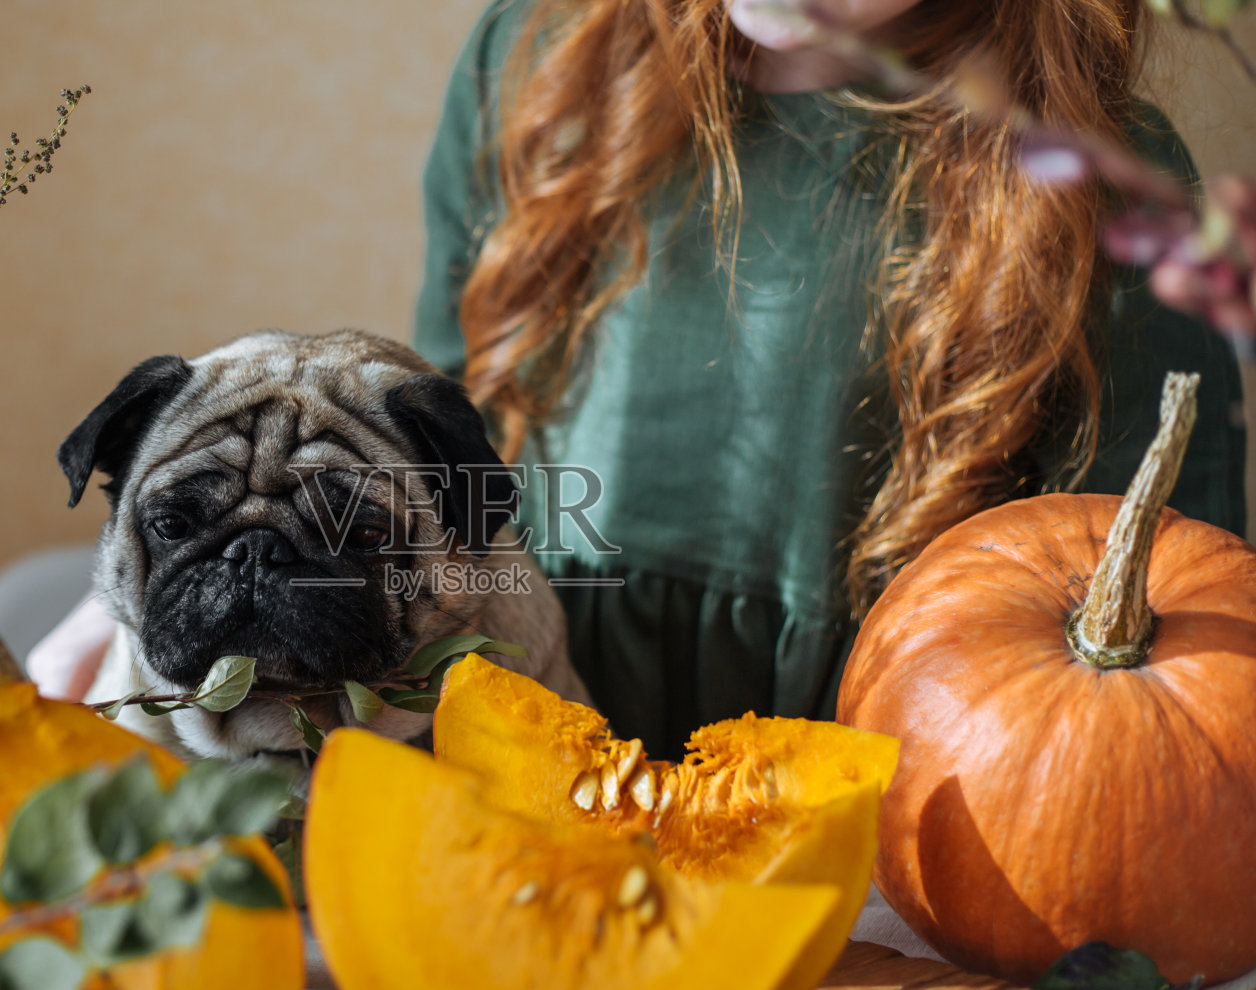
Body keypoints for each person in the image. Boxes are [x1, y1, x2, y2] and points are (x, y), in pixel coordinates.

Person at [410, 0, 1249, 757]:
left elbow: (1167, 631)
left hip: (894, 825)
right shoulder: (532, 59)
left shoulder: (1104, 182)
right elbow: (434, 465)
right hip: (522, 768)